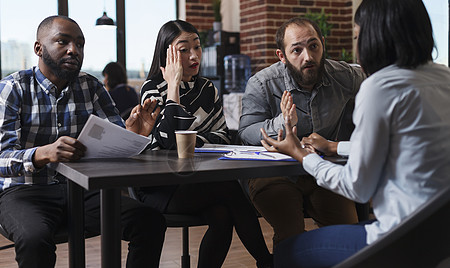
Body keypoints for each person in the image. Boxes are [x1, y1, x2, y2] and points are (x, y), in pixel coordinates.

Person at [260, 0, 450, 268]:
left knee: (287, 253)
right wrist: (335, 146)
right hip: (442, 239)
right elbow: (407, 144)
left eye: (358, 36)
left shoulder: (380, 87)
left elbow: (357, 186)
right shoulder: (444, 77)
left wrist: (302, 154)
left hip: (400, 239)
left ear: (374, 38)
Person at [0, 15, 166, 268]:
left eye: (80, 44)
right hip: (25, 190)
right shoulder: (13, 88)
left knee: (150, 221)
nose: (73, 50)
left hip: (83, 189)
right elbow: (1, 157)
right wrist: (41, 154)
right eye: (62, 42)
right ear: (38, 48)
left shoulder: (91, 86)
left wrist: (135, 133)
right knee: (35, 239)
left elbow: (116, 146)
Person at [136, 19, 273, 268]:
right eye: (184, 49)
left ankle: (266, 262)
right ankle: (266, 262)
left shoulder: (208, 89)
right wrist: (174, 86)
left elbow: (222, 137)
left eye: (197, 47)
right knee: (230, 189)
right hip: (160, 185)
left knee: (222, 215)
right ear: (167, 54)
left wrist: (190, 141)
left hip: (198, 179)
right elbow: (165, 145)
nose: (193, 55)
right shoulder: (152, 88)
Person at [238, 17, 365, 247]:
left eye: (313, 46)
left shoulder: (343, 76)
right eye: (297, 50)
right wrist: (282, 122)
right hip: (275, 173)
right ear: (282, 56)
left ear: (322, 44)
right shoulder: (263, 83)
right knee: (291, 236)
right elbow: (245, 132)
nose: (308, 57)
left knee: (349, 236)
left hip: (322, 170)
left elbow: (378, 81)